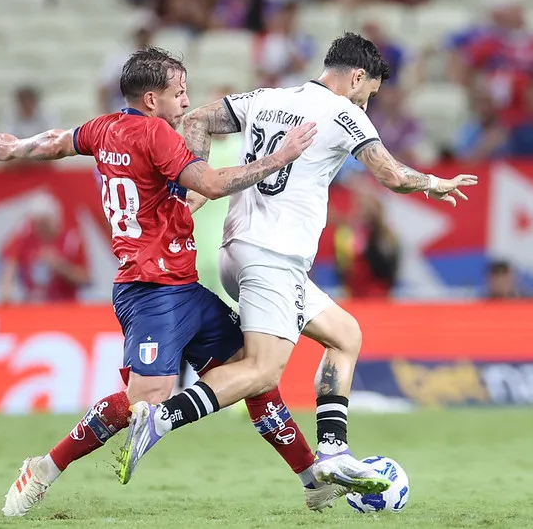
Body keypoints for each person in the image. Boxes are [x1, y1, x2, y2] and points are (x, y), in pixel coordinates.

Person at [0, 47, 340, 516]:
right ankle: (44, 469)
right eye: (180, 93)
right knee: (146, 401)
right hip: (150, 290)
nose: (185, 101)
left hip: (183, 287)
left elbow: (57, 141)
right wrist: (281, 157)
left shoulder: (103, 127)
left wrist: (16, 149)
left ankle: (312, 478)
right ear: (152, 99)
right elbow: (211, 184)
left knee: (251, 374)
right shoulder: (155, 133)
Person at [120, 32, 478, 491]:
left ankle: (332, 451)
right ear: (356, 77)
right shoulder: (344, 112)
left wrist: (195, 185)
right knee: (262, 371)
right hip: (272, 256)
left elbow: (195, 120)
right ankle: (159, 420)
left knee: (345, 335)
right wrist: (431, 181)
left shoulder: (268, 97)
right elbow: (390, 173)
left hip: (238, 251)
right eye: (368, 93)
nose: (366, 104)